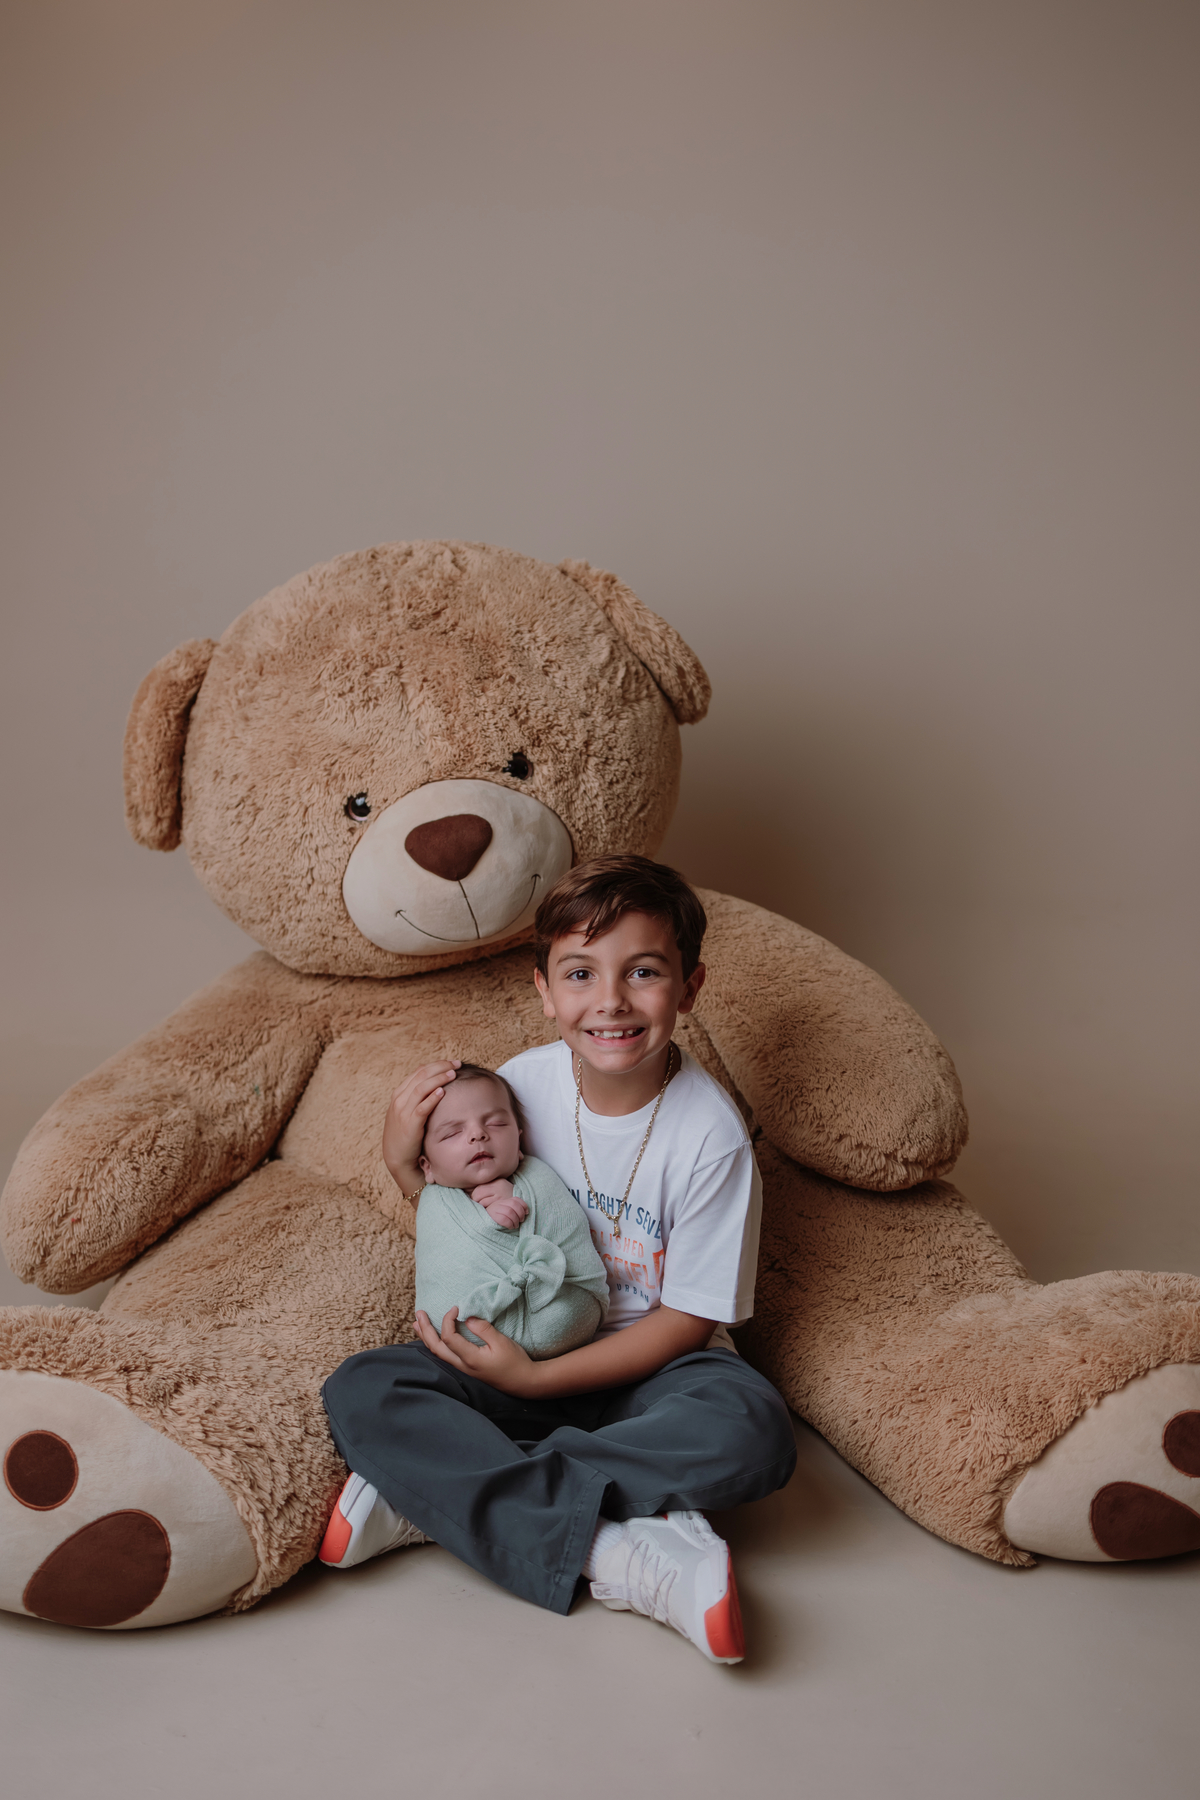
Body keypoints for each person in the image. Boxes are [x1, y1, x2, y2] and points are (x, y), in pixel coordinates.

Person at [320, 855, 797, 1664]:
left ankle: (439, 1494)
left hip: (650, 1371)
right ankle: (617, 1552)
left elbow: (688, 1320)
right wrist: (402, 1162)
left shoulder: (711, 1136)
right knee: (363, 1386)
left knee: (751, 1427)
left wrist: (536, 1386)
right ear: (544, 990)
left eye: (643, 971)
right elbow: (463, 1220)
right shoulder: (521, 1087)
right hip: (514, 1343)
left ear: (688, 987)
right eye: (581, 973)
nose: (610, 1001)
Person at [408, 1062, 611, 1359]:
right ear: (427, 1168)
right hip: (455, 1349)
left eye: (496, 1124)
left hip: (558, 1323)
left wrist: (521, 1202)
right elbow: (442, 1263)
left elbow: (565, 1232)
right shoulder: (435, 1201)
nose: (477, 1134)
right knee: (363, 1372)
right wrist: (486, 1222)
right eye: (452, 1133)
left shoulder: (538, 1178)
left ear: (519, 1141)